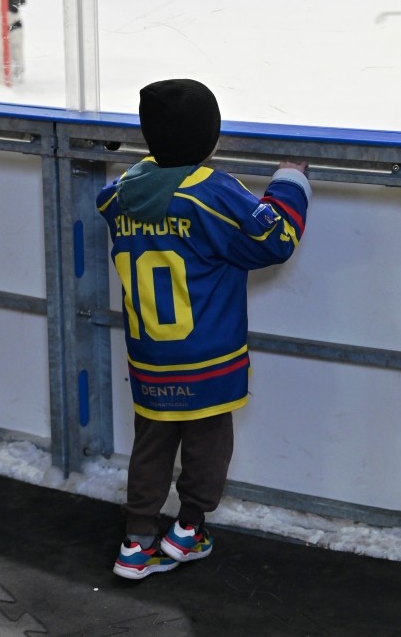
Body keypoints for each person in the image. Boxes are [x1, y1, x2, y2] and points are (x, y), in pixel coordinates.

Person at [96, 78, 311, 579]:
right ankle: (188, 529)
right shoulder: (210, 191)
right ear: (211, 139)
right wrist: (290, 180)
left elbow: (125, 196)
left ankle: (136, 541)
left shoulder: (123, 193)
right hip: (208, 357)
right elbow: (275, 237)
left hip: (150, 357)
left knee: (151, 444)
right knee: (208, 442)